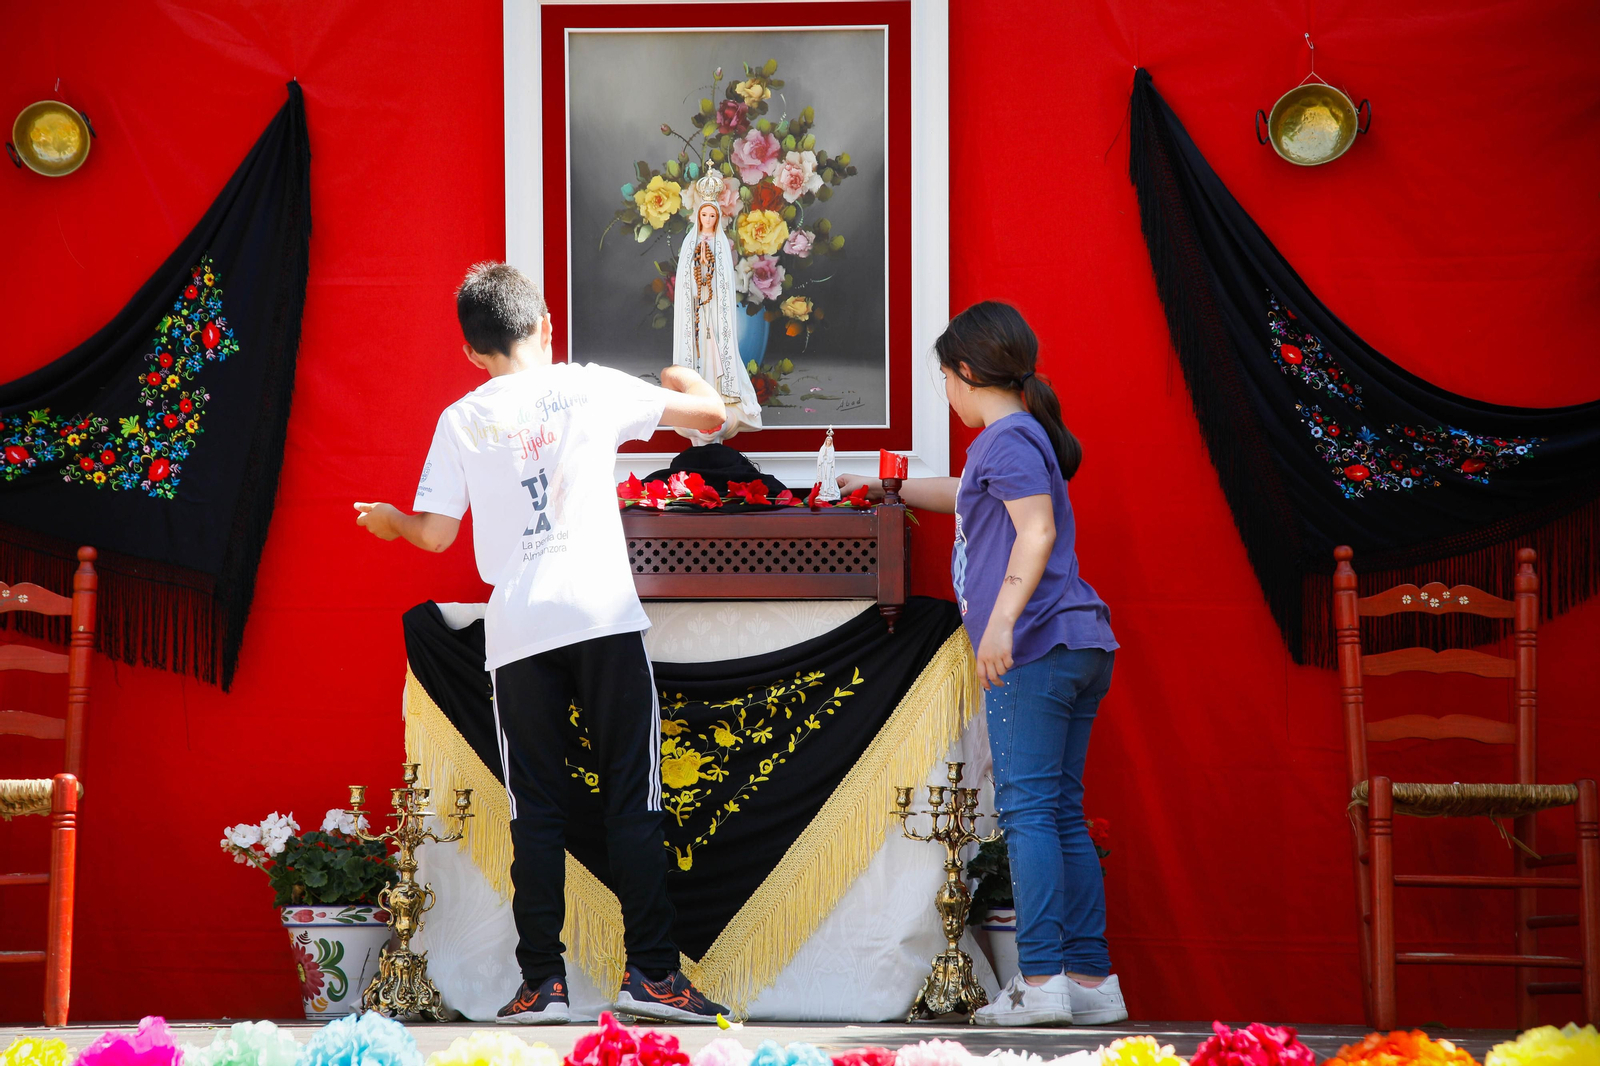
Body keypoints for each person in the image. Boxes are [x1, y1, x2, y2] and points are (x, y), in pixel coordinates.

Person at [354, 262, 731, 1025]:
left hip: (520, 625)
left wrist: (390, 519)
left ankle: (542, 984)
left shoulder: (461, 416)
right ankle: (653, 974)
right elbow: (710, 417)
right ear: (546, 324)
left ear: (470, 351)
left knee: (538, 809)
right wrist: (682, 374)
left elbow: (434, 535)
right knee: (636, 797)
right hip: (599, 613)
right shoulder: (588, 384)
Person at [838, 301, 1127, 1028]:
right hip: (1077, 647)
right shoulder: (1013, 442)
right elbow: (969, 501)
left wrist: (998, 628)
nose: (945, 390)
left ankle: (1040, 982)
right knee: (1058, 812)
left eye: (943, 376)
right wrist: (891, 489)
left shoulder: (1008, 440)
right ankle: (1088, 980)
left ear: (965, 373)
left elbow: (1036, 532)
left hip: (1035, 649)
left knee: (1030, 813)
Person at [671, 172, 762, 445]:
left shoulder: (721, 244)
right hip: (697, 309)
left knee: (715, 350)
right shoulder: (691, 243)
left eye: (713, 216)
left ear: (717, 218)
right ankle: (697, 397)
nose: (708, 220)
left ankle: (719, 394)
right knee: (697, 348)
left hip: (714, 310)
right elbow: (686, 279)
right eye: (704, 216)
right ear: (698, 216)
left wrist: (711, 285)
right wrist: (698, 286)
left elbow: (725, 280)